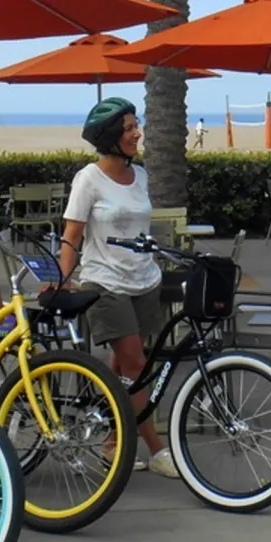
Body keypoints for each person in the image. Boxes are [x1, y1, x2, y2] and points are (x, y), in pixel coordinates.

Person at [55, 98, 179, 479]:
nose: (137, 133)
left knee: (124, 367)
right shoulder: (88, 179)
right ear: (110, 137)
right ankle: (156, 449)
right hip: (105, 283)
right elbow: (72, 236)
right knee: (136, 366)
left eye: (136, 125)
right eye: (128, 128)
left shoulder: (140, 175)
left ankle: (112, 441)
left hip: (145, 281)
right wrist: (63, 282)